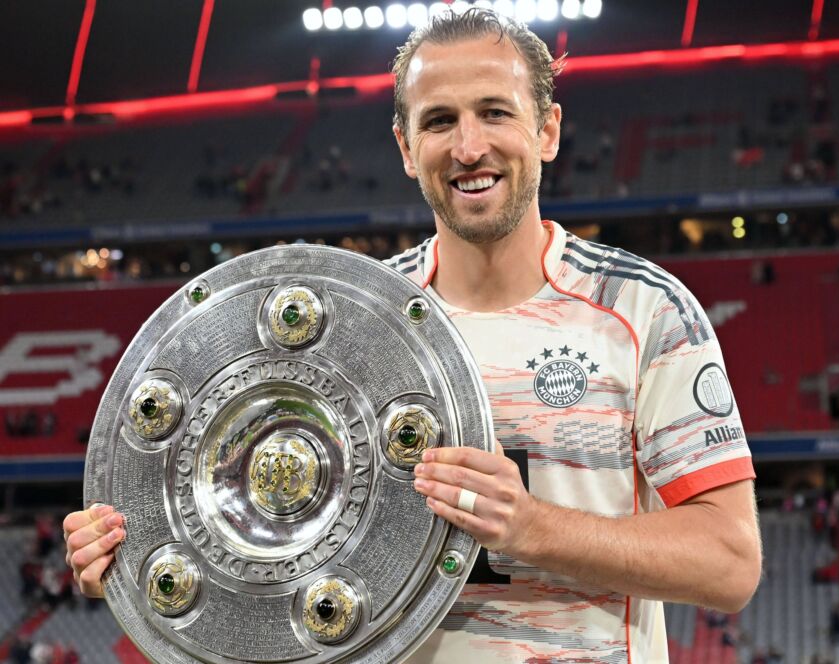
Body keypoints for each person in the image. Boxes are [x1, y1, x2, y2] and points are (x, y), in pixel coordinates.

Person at [63, 9, 761, 662]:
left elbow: (731, 564)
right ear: (405, 146)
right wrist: (128, 553)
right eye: (439, 121)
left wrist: (531, 528)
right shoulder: (355, 318)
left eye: (495, 113)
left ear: (547, 130)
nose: (469, 147)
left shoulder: (642, 310)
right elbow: (267, 533)